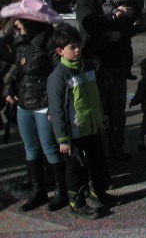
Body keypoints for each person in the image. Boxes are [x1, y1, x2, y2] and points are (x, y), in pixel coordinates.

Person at [1, 0, 67, 212]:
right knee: (30, 149)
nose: (17, 24)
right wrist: (9, 88)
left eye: (20, 20)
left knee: (49, 148)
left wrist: (54, 107)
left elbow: (59, 75)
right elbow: (16, 72)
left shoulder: (49, 42)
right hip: (24, 104)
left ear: (31, 22)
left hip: (43, 103)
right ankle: (38, 191)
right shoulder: (21, 43)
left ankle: (61, 191)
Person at [48, 25, 115, 219]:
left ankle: (98, 193)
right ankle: (76, 202)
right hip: (74, 132)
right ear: (60, 51)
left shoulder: (88, 66)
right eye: (72, 47)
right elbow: (57, 109)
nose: (77, 50)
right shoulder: (58, 76)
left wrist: (103, 117)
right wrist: (63, 139)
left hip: (92, 127)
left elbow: (97, 95)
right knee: (75, 169)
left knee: (98, 162)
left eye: (78, 45)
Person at [76, 0, 129, 161]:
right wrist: (111, 20)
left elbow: (126, 25)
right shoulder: (86, 2)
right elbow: (89, 25)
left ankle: (117, 148)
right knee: (101, 111)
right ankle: (103, 154)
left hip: (115, 61)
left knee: (117, 109)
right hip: (96, 62)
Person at [102, 0, 142, 81]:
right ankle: (115, 70)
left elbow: (138, 11)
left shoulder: (133, 0)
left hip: (127, 29)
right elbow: (105, 8)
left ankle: (127, 70)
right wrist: (115, 11)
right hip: (115, 27)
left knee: (127, 51)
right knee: (115, 50)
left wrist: (137, 19)